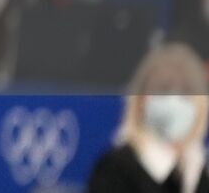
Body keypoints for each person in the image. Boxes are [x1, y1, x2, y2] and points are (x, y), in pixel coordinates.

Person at [87, 43, 209, 193]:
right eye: (163, 90)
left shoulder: (197, 171)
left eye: (185, 93)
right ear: (140, 100)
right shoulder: (115, 168)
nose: (174, 100)